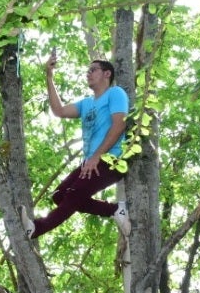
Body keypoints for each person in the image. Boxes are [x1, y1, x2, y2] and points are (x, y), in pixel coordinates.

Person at [20, 52, 131, 239]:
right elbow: (59, 111)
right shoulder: (87, 103)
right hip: (90, 162)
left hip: (111, 159)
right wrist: (49, 76)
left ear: (107, 74)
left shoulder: (116, 93)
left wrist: (96, 157)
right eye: (87, 71)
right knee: (59, 195)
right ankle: (114, 210)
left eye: (93, 70)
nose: (88, 73)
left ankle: (37, 228)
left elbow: (120, 124)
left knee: (74, 194)